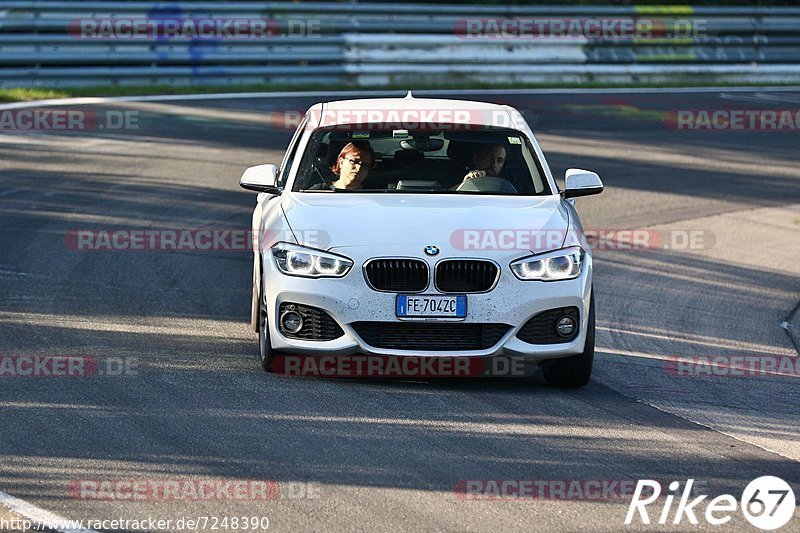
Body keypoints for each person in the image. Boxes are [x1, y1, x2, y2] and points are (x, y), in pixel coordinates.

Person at [308, 142, 374, 190]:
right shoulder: (318, 191)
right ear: (341, 162)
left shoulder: (377, 195)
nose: (359, 167)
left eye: (365, 165)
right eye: (354, 161)